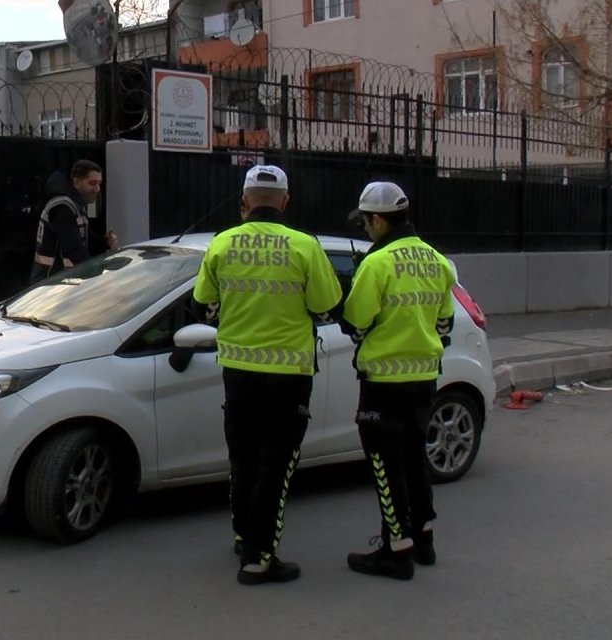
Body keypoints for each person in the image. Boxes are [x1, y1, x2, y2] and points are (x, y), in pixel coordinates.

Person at [192, 165, 342, 586]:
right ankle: (259, 558)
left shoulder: (221, 244)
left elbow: (202, 303)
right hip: (289, 373)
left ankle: (245, 536)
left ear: (244, 202)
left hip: (238, 372)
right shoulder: (304, 246)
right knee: (276, 463)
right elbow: (327, 305)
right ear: (286, 202)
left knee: (243, 458)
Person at [340, 182, 456, 581]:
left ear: (377, 219)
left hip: (383, 382)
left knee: (385, 466)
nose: (365, 230)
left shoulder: (377, 263)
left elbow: (354, 323)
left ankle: (396, 552)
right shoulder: (438, 261)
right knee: (413, 459)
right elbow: (445, 322)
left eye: (366, 222)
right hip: (425, 379)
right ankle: (424, 540)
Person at [30, 159, 117, 283]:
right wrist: (98, 274)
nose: (97, 189)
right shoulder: (63, 207)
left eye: (99, 183)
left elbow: (83, 239)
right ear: (76, 182)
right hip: (52, 283)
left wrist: (104, 242)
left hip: (60, 282)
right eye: (92, 183)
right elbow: (74, 249)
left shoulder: (74, 205)